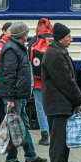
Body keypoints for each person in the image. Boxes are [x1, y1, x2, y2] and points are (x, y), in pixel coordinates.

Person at [0, 21, 47, 162]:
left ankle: (30, 155)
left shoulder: (18, 47)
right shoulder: (12, 49)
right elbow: (9, 75)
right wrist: (10, 98)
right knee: (15, 126)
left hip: (20, 94)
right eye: (26, 32)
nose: (28, 35)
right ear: (21, 35)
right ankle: (11, 159)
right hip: (14, 95)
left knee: (23, 124)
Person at [41, 23, 81, 162]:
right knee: (58, 137)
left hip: (60, 102)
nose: (71, 39)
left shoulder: (58, 51)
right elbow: (66, 81)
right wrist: (79, 98)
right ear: (60, 39)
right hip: (57, 103)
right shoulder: (55, 55)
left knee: (62, 136)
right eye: (68, 37)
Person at [27, 18, 53, 146]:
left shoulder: (33, 40)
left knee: (40, 107)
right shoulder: (55, 40)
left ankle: (44, 136)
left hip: (38, 81)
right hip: (53, 80)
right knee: (53, 106)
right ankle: (56, 133)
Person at [0, 22, 12, 135]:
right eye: (10, 30)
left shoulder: (7, 43)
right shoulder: (1, 45)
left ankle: (0, 137)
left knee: (2, 112)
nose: (12, 32)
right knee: (1, 113)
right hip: (3, 83)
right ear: (4, 31)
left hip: (4, 83)